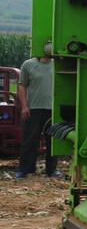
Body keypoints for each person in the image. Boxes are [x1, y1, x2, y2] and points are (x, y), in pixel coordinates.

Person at [17, 41, 58, 178]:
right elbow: (22, 86)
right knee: (30, 140)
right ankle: (25, 170)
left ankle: (51, 170)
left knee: (53, 141)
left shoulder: (57, 65)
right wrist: (24, 106)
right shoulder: (28, 64)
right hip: (33, 108)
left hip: (52, 109)